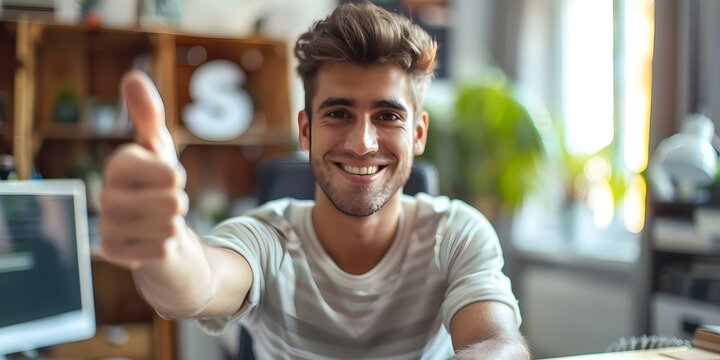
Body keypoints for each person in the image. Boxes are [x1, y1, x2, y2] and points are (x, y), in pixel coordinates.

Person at [100, 2, 531, 359]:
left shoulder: (457, 234)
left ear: (418, 134)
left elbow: (497, 342)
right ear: (306, 130)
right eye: (338, 113)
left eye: (387, 116)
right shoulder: (266, 238)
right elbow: (196, 285)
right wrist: (165, 245)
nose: (362, 143)